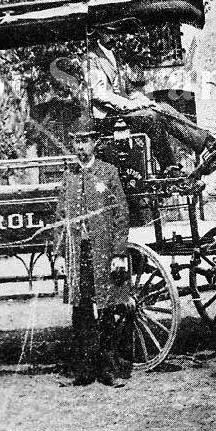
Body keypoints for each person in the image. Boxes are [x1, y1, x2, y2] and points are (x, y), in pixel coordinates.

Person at [84, 26, 216, 175]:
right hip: (108, 117)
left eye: (116, 32)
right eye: (109, 33)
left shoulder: (116, 56)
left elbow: (130, 91)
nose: (114, 37)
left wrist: (144, 100)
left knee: (163, 108)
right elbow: (99, 94)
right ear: (100, 32)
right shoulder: (91, 59)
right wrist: (130, 105)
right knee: (151, 117)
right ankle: (169, 166)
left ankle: (208, 141)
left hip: (124, 113)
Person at [53, 115, 133, 387]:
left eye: (85, 141)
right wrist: (60, 255)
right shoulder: (69, 177)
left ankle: (107, 370)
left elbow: (121, 213)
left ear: (95, 143)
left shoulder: (108, 172)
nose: (80, 147)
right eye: (76, 141)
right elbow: (61, 218)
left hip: (103, 253)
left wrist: (119, 253)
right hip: (78, 254)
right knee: (81, 311)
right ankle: (85, 371)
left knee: (107, 310)